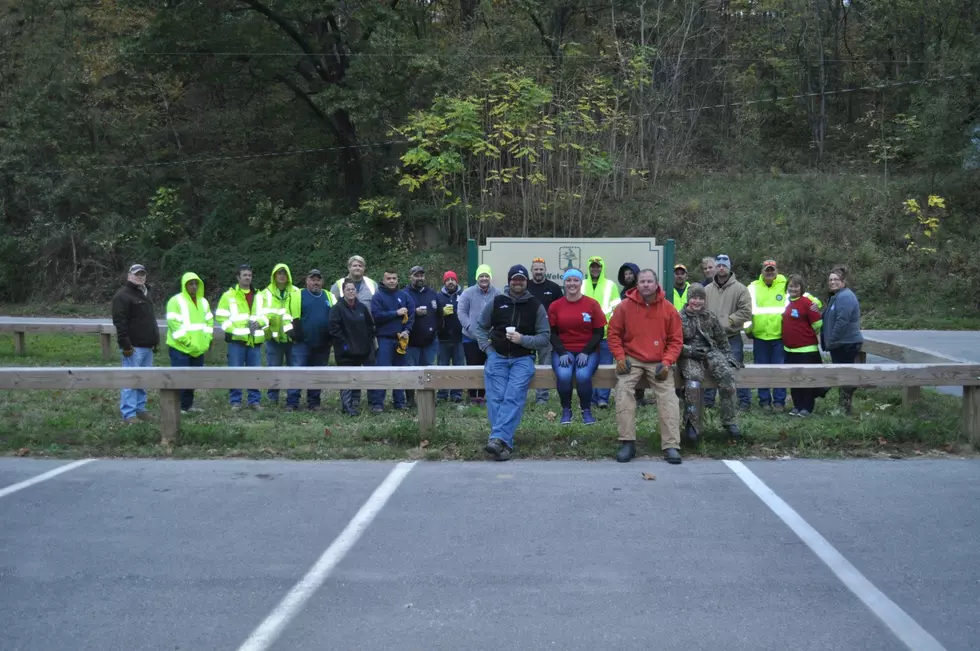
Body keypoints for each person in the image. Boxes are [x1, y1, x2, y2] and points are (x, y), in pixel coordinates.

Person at [475, 264, 550, 461]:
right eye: (514, 279)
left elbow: (544, 337)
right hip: (497, 356)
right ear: (509, 281)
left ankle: (497, 439)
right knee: (495, 398)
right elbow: (481, 327)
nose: (518, 282)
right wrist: (488, 349)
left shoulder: (536, 306)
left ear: (526, 282)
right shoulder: (497, 302)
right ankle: (503, 444)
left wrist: (522, 339)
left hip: (523, 359)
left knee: (514, 396)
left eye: (521, 279)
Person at [608, 269, 684, 464]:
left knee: (668, 397)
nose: (646, 285)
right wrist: (620, 358)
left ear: (656, 284)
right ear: (637, 284)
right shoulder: (624, 306)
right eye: (642, 281)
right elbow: (614, 334)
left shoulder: (668, 308)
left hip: (659, 361)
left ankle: (671, 445)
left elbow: (676, 340)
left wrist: (667, 362)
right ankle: (627, 442)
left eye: (649, 281)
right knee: (623, 391)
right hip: (632, 360)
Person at [678, 284, 741, 442]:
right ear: (688, 299)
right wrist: (688, 351)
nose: (697, 301)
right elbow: (674, 342)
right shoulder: (679, 317)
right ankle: (692, 423)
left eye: (700, 298)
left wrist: (727, 356)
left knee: (727, 375)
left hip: (710, 352)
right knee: (693, 380)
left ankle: (729, 420)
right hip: (689, 354)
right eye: (694, 298)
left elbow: (721, 339)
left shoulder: (710, 317)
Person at [548, 268, 606, 425]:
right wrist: (561, 352)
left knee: (582, 375)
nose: (572, 284)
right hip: (563, 350)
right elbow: (552, 333)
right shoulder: (555, 305)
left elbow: (599, 332)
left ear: (581, 283)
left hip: (588, 350)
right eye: (568, 280)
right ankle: (566, 410)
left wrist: (586, 351)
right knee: (565, 375)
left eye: (575, 280)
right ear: (564, 283)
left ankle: (586, 410)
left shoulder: (592, 304)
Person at [111, 263, 160, 424]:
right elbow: (120, 323)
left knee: (143, 380)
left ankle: (140, 409)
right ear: (129, 276)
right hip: (133, 347)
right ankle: (129, 414)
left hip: (147, 345)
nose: (140, 277)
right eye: (136, 274)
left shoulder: (146, 293)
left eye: (142, 274)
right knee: (130, 380)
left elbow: (149, 320)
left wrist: (155, 341)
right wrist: (125, 344)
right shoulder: (122, 296)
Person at [704, 254, 752, 410]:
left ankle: (744, 401)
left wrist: (728, 322)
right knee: (709, 369)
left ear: (729, 267)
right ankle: (708, 401)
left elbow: (746, 312)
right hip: (711, 339)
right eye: (718, 265)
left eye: (724, 265)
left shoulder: (741, 289)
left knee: (736, 369)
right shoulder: (707, 290)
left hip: (732, 337)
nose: (721, 268)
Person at [217, 264, 268, 411]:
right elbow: (220, 316)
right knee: (235, 371)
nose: (247, 278)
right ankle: (235, 401)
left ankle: (255, 401)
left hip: (254, 340)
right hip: (236, 341)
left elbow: (267, 315)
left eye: (249, 275)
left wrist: (260, 322)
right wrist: (234, 330)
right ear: (238, 277)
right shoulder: (229, 296)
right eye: (244, 275)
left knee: (255, 372)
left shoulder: (259, 296)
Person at [287, 269, 335, 412]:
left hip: (323, 343)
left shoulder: (329, 296)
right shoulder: (297, 295)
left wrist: (332, 337)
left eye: (318, 279)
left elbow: (336, 317)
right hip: (302, 342)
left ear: (322, 282)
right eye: (312, 279)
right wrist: (293, 333)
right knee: (297, 372)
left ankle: (314, 403)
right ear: (306, 281)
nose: (315, 282)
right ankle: (292, 402)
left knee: (317, 374)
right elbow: (285, 316)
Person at [165, 272, 213, 415]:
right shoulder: (175, 301)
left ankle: (188, 405)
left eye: (195, 283)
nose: (193, 286)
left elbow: (209, 322)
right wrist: (188, 343)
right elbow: (175, 325)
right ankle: (177, 407)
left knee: (193, 379)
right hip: (180, 348)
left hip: (198, 348)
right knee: (180, 379)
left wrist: (206, 340)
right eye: (190, 284)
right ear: (184, 285)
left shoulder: (204, 302)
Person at [328, 278, 376, 416]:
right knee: (347, 379)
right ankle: (347, 406)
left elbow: (370, 326)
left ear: (356, 291)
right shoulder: (337, 309)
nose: (350, 291)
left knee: (360, 377)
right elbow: (334, 329)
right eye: (348, 289)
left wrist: (368, 341)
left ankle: (357, 403)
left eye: (353, 289)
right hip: (345, 351)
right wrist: (345, 344)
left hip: (363, 349)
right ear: (343, 291)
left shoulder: (362, 307)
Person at [369, 269, 414, 413]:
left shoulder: (404, 296)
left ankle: (399, 402)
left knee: (399, 372)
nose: (392, 281)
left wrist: (407, 330)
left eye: (394, 278)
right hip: (384, 339)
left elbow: (411, 314)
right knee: (382, 371)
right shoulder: (378, 296)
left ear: (397, 280)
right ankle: (378, 403)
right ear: (383, 280)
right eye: (388, 278)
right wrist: (395, 313)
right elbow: (376, 315)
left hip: (401, 339)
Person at [746, 259, 788, 412]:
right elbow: (747, 310)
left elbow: (806, 298)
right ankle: (764, 401)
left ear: (776, 271)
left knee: (780, 370)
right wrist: (748, 330)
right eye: (767, 269)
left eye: (772, 269)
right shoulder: (752, 287)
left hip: (779, 336)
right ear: (762, 271)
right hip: (760, 336)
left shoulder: (786, 285)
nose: (769, 272)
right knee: (761, 370)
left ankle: (779, 402)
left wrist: (815, 303)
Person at [822, 266, 864, 415]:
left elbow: (842, 321)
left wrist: (831, 340)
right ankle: (842, 406)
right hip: (840, 344)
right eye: (830, 280)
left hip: (846, 343)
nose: (832, 282)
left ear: (843, 281)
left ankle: (844, 408)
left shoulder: (845, 297)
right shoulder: (836, 296)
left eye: (836, 279)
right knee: (841, 374)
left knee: (844, 375)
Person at [782, 275, 824, 417]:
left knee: (806, 380)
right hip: (789, 349)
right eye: (791, 286)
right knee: (794, 379)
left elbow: (817, 325)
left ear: (801, 288)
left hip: (806, 350)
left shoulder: (807, 303)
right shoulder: (787, 302)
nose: (793, 288)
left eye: (796, 286)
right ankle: (797, 405)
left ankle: (807, 407)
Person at [261, 263, 302, 406]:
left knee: (295, 370)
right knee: (273, 370)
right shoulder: (265, 293)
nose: (282, 276)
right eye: (279, 273)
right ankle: (272, 399)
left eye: (284, 273)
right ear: (274, 275)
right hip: (274, 339)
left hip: (293, 339)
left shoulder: (297, 292)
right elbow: (260, 315)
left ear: (288, 275)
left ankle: (293, 400)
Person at [582, 255, 620, 408]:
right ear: (589, 268)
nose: (595, 269)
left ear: (602, 267)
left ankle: (603, 398)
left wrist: (610, 328)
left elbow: (617, 310)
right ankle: (589, 397)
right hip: (586, 335)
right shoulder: (582, 284)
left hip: (605, 335)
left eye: (598, 266)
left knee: (605, 366)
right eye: (592, 266)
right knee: (587, 367)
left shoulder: (611, 285)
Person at [458, 264, 498, 406]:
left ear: (490, 277)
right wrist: (469, 327)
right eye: (481, 276)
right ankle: (472, 396)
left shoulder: (497, 293)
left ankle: (482, 396)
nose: (484, 278)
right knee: (472, 367)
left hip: (490, 339)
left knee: (487, 367)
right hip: (470, 337)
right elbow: (461, 312)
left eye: (486, 276)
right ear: (477, 278)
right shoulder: (467, 293)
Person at [527, 257, 563, 405]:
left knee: (544, 366)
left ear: (545, 270)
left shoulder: (554, 288)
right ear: (532, 271)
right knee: (525, 364)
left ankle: (542, 397)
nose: (539, 272)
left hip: (546, 334)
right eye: (536, 269)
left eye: (541, 269)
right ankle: (522, 394)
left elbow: (561, 310)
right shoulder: (525, 285)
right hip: (527, 333)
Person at [404, 265, 440, 408]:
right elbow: (400, 314)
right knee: (411, 372)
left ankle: (429, 398)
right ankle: (410, 400)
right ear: (410, 277)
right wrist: (414, 312)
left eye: (421, 275)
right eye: (416, 275)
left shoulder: (431, 293)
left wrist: (436, 329)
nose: (419, 278)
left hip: (430, 341)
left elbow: (439, 313)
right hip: (411, 341)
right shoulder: (404, 294)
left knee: (429, 371)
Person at [436, 270, 465, 403]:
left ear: (456, 281)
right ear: (444, 282)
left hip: (459, 338)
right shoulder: (438, 297)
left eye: (452, 279)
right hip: (443, 338)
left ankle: (457, 394)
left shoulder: (464, 295)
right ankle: (442, 394)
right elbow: (433, 315)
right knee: (443, 367)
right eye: (448, 280)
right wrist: (441, 313)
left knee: (458, 367)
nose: (450, 282)